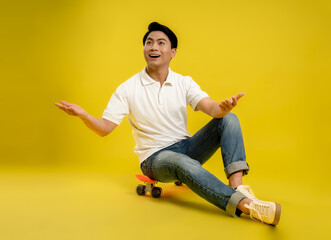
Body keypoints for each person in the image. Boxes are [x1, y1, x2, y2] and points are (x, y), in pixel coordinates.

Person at [55, 22, 281, 225]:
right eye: (149, 43)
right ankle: (247, 206)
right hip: (155, 158)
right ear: (144, 50)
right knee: (180, 162)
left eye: (160, 42)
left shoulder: (184, 82)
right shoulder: (128, 88)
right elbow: (104, 128)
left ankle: (238, 188)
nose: (153, 47)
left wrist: (224, 108)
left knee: (228, 120)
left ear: (172, 52)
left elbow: (211, 109)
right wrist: (84, 116)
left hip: (186, 148)